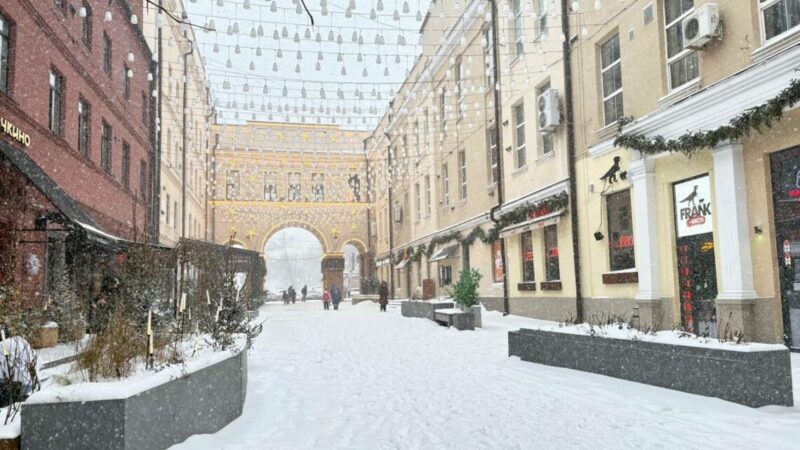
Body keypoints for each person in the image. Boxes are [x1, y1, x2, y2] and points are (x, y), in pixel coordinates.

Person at [0, 327, 40, 408]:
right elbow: (38, 361)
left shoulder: (2, 345)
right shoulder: (22, 341)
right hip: (29, 384)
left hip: (11, 386)